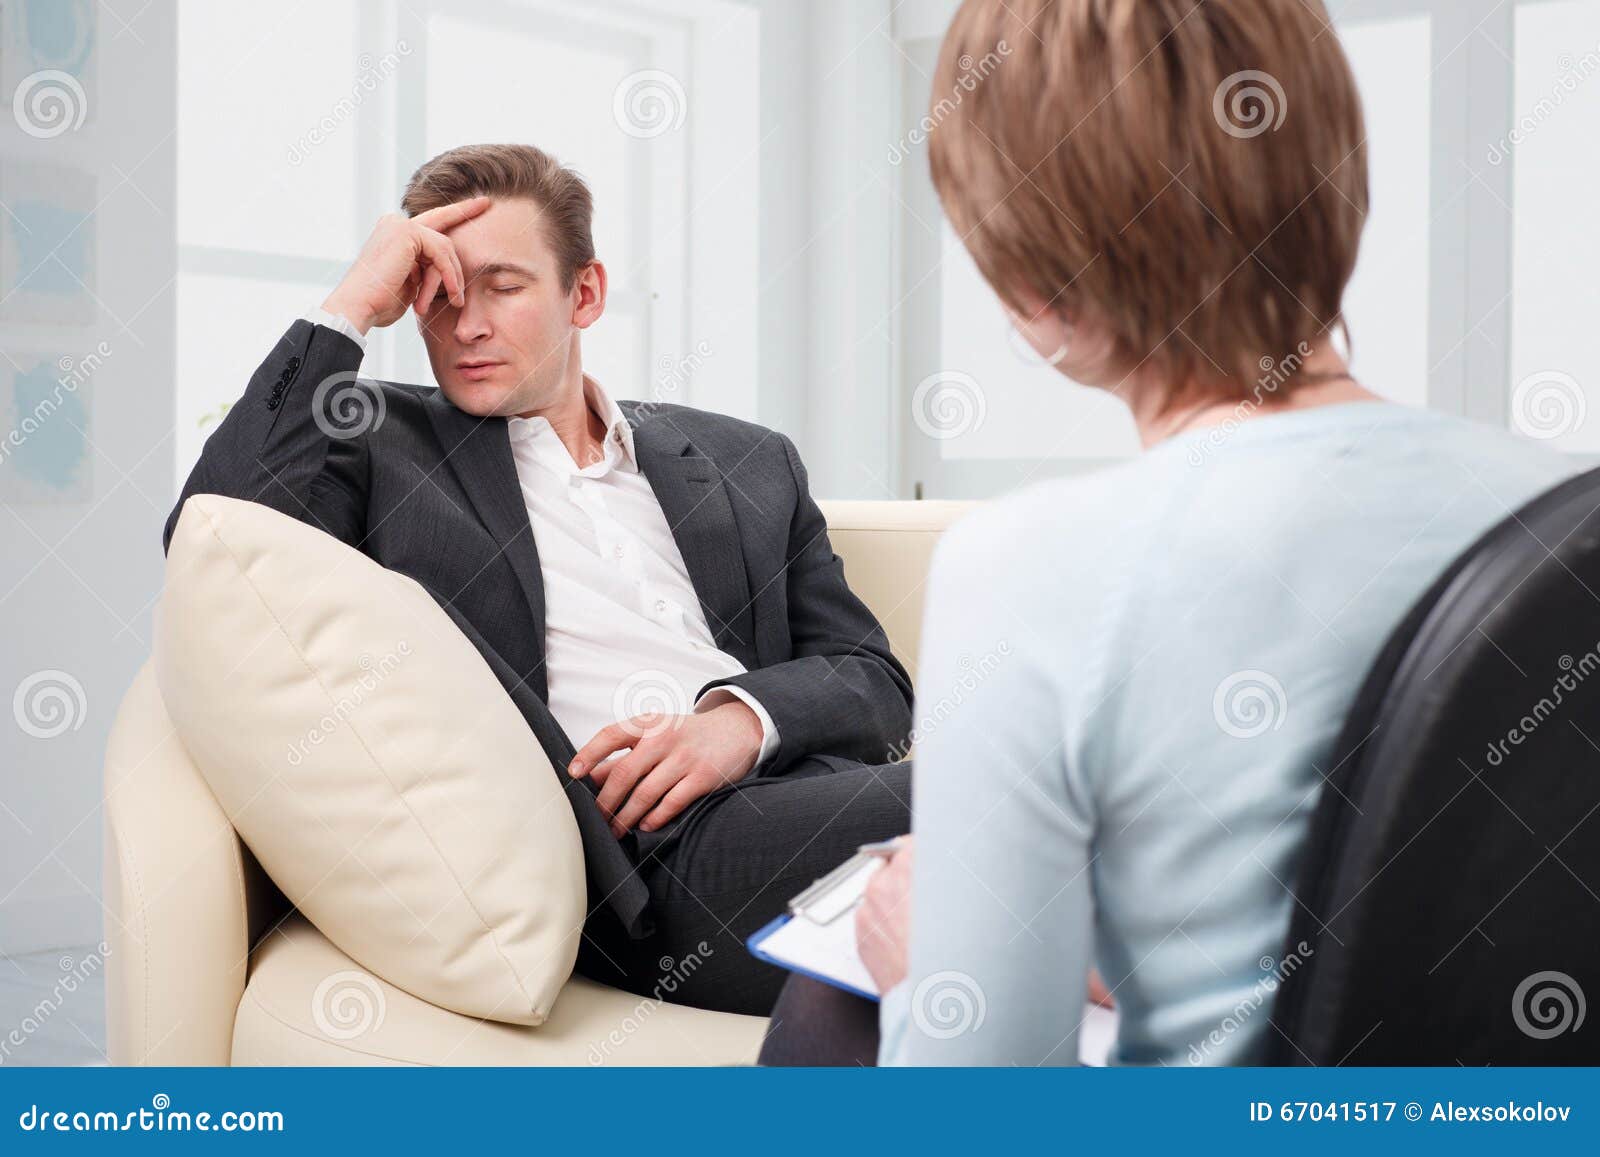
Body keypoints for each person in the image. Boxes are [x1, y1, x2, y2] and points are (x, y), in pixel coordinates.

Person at [761, 0, 1574, 1065]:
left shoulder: (1031, 565)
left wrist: (922, 969)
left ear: (1029, 288)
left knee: (827, 1012)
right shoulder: (1573, 505)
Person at [163, 143, 913, 1016]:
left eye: (504, 286)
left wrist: (737, 722)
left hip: (802, 791)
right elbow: (212, 542)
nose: (466, 324)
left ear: (584, 293)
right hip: (646, 857)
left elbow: (872, 678)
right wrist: (352, 304)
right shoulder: (377, 443)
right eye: (438, 293)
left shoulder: (747, 459)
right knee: (1015, 797)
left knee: (1021, 879)